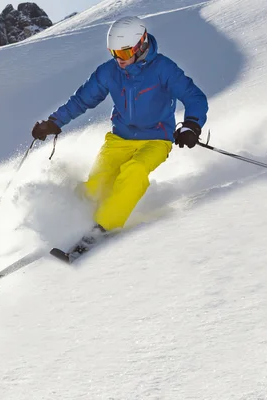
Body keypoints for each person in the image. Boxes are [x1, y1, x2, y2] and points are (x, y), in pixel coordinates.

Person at [31, 15, 208, 239]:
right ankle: (69, 222)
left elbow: (194, 97)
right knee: (95, 185)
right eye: (113, 53)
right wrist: (54, 122)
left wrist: (191, 125)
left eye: (124, 53)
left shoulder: (163, 68)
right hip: (119, 139)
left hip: (156, 139)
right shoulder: (109, 72)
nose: (119, 59)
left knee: (133, 172)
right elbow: (81, 100)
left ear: (141, 45)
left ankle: (103, 228)